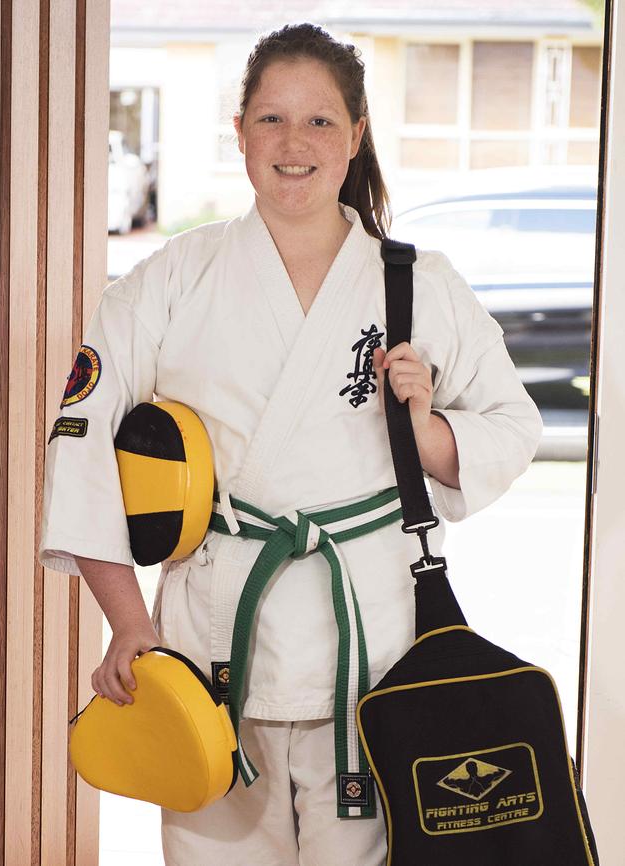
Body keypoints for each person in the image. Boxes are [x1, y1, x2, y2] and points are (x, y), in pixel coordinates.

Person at [39, 22, 543, 866]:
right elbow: (81, 439)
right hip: (211, 650)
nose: (294, 144)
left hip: (372, 650)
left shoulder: (417, 283)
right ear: (239, 134)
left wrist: (422, 430)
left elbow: (511, 428)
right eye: (271, 120)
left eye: (318, 122)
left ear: (355, 136)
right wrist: (126, 624)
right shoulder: (169, 278)